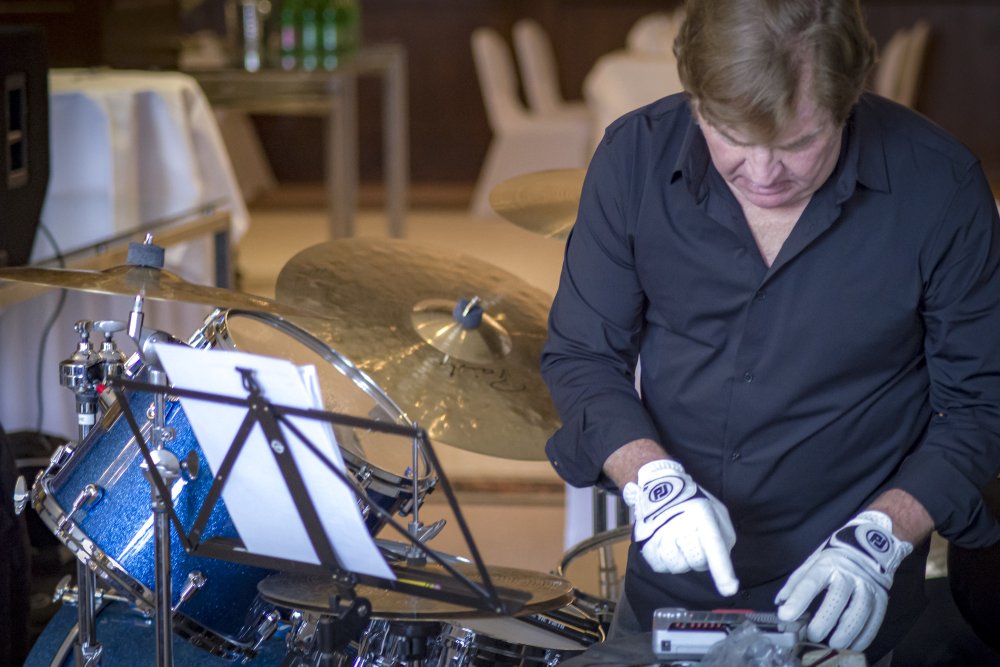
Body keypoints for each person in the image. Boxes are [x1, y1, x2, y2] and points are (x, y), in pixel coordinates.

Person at [540, 0, 1000, 663]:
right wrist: (652, 480)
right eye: (731, 136)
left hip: (848, 602)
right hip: (667, 591)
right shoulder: (633, 158)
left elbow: (981, 406)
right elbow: (583, 355)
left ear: (848, 101)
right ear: (695, 101)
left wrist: (884, 534)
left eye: (797, 144)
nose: (762, 175)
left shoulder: (940, 188)